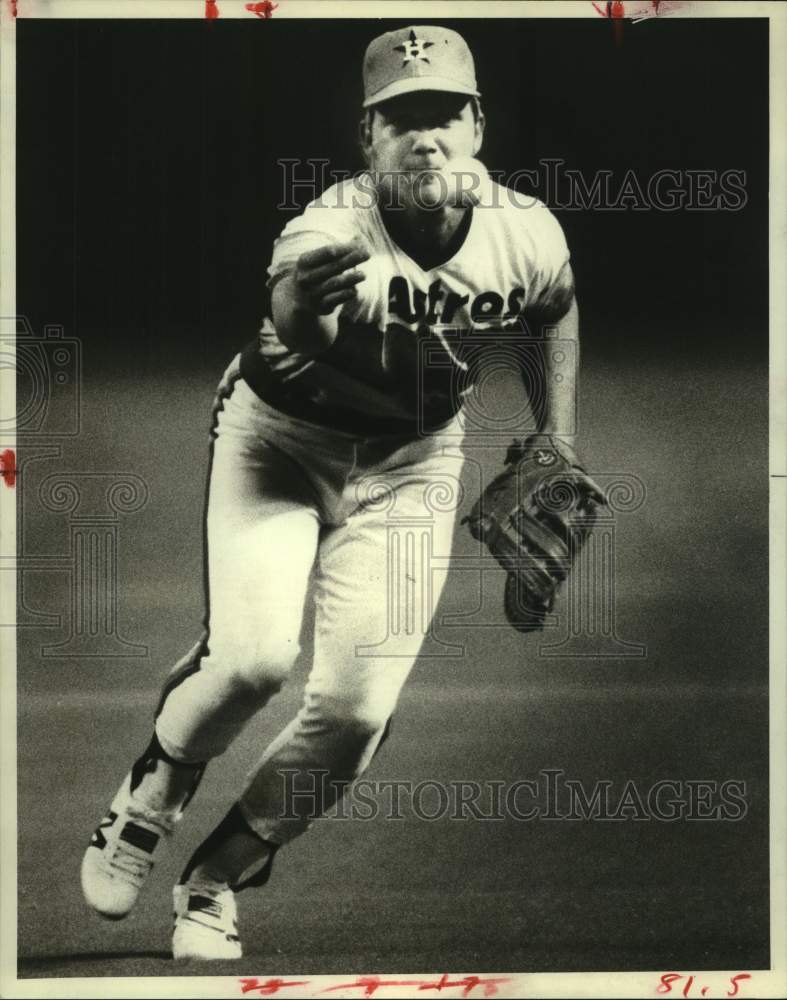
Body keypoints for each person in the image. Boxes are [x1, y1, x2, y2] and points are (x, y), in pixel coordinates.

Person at [80, 24, 579, 960]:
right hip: (279, 445)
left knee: (354, 712)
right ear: (367, 140)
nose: (423, 136)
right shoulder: (327, 229)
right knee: (252, 661)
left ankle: (216, 879)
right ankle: (151, 794)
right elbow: (289, 315)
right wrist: (302, 307)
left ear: (476, 126)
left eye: (442, 114)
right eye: (401, 120)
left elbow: (554, 309)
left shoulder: (526, 231)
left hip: (413, 466)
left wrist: (553, 433)